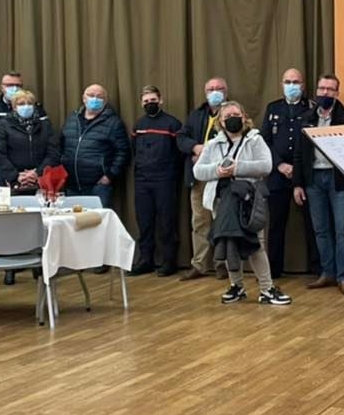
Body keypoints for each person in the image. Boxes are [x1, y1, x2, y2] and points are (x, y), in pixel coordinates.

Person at [193, 100, 291, 306]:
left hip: (249, 201)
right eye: (226, 117)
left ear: (244, 116)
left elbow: (266, 166)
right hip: (221, 201)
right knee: (228, 242)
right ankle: (236, 285)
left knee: (256, 244)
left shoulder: (255, 140)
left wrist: (238, 168)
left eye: (235, 114)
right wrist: (217, 171)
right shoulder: (213, 144)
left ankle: (267, 288)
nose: (232, 119)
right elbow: (198, 171)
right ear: (220, 121)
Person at [293, 73, 344, 296]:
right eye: (322, 89)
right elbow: (298, 154)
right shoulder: (305, 118)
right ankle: (327, 272)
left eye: (330, 89)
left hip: (338, 181)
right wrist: (297, 184)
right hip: (313, 180)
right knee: (320, 229)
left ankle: (343, 276)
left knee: (342, 229)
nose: (325, 93)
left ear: (337, 93)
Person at [260, 68, 317, 278]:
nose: (292, 85)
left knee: (312, 223)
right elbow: (265, 140)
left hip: (304, 175)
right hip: (277, 175)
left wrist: (298, 168)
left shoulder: (311, 109)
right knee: (275, 224)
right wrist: (279, 165)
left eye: (296, 82)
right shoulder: (273, 108)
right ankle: (273, 269)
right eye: (288, 81)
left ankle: (317, 268)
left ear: (303, 85)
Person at [177, 77, 228, 281]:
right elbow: (181, 137)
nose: (215, 92)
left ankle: (222, 264)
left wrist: (211, 155)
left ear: (226, 91)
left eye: (219, 88)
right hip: (198, 177)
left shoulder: (232, 112)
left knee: (221, 221)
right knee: (199, 221)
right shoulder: (197, 114)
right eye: (211, 89)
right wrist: (195, 147)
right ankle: (199, 264)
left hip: (221, 177)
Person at [131, 85, 184, 276]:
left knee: (166, 222)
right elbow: (134, 151)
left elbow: (179, 153)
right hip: (142, 180)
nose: (149, 104)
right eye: (146, 101)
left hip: (165, 180)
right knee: (144, 222)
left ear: (160, 100)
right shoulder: (138, 125)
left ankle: (169, 261)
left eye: (153, 101)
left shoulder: (172, 124)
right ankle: (146, 260)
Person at [57, 83, 130, 210]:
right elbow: (61, 146)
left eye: (99, 96)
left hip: (98, 186)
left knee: (97, 225)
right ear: (83, 98)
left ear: (105, 101)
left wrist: (109, 175)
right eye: (91, 95)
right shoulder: (72, 119)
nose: (94, 99)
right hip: (71, 185)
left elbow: (123, 152)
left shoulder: (114, 123)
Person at [0, 88, 59, 195]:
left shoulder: (45, 125)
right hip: (11, 182)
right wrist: (16, 176)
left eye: (29, 103)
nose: (26, 106)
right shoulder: (3, 125)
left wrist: (37, 173)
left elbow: (53, 153)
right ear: (14, 107)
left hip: (40, 181)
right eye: (21, 104)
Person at [0, 71, 46, 176]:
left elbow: (48, 140)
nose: (14, 88)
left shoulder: (36, 110)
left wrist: (35, 172)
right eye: (9, 85)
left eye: (18, 85)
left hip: (31, 169)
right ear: (2, 87)